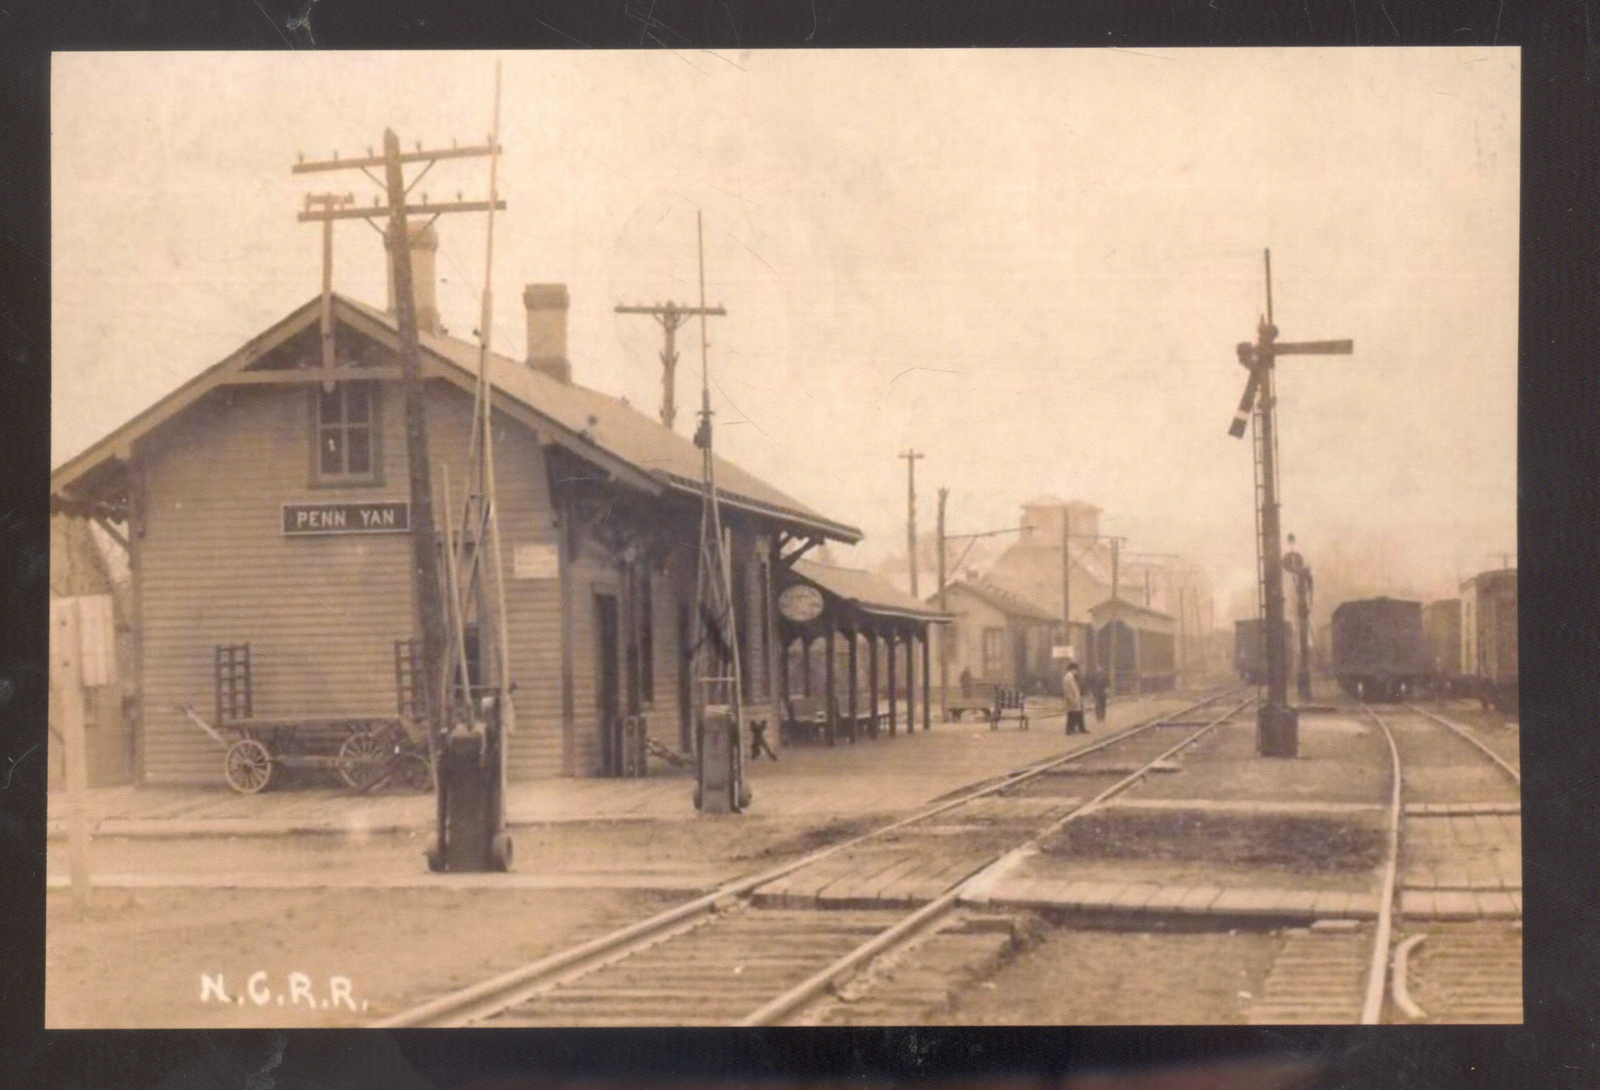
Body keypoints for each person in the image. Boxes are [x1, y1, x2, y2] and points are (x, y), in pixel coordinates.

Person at [1063, 658, 1087, 735]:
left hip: (1075, 699)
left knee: (1075, 714)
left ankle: (1073, 729)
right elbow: (1068, 690)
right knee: (1071, 715)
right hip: (1071, 699)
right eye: (1075, 670)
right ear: (1072, 669)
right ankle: (1069, 730)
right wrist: (1072, 700)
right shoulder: (1068, 678)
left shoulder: (1072, 677)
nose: (1076, 672)